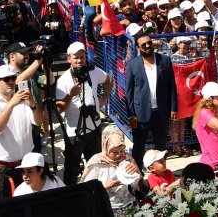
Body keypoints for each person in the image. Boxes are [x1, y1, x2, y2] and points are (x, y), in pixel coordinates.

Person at [54, 42, 111, 187]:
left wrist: (104, 98)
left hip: (94, 127)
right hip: (75, 131)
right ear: (69, 59)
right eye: (76, 58)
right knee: (72, 169)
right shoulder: (63, 81)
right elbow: (59, 108)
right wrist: (70, 95)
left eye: (82, 57)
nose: (80, 60)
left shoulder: (93, 71)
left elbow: (109, 79)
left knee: (96, 165)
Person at [0, 65, 41, 195]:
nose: (11, 82)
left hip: (26, 164)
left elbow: (39, 121)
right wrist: (11, 104)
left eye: (13, 78)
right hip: (4, 168)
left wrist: (32, 104)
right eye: (6, 79)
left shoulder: (24, 101)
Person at [123, 32, 177, 168]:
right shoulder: (132, 65)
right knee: (139, 147)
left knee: (161, 145)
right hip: (141, 113)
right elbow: (129, 92)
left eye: (149, 43)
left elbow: (172, 86)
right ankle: (138, 175)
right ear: (138, 48)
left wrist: (173, 107)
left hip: (161, 112)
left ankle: (162, 173)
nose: (148, 46)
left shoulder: (164, 60)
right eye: (144, 45)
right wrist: (131, 114)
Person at [80, 126, 141, 213]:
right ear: (106, 147)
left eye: (121, 151)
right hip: (106, 206)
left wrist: (136, 172)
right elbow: (88, 190)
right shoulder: (96, 163)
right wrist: (108, 186)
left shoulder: (127, 158)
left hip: (128, 202)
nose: (119, 155)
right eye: (115, 152)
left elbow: (136, 186)